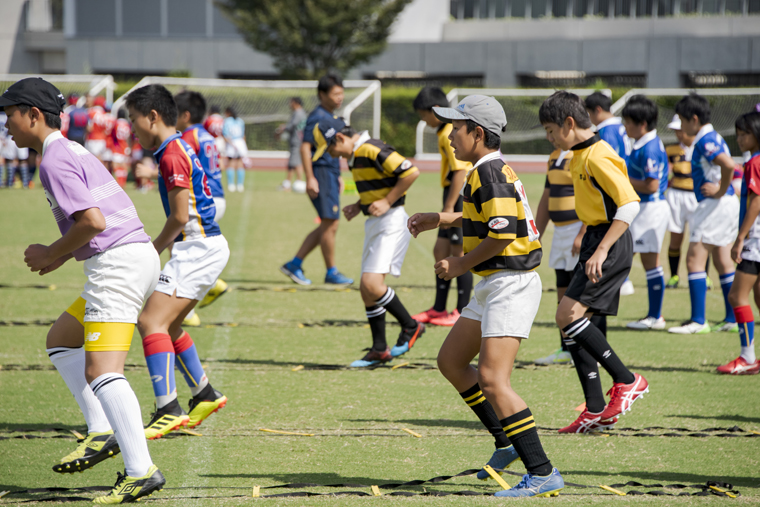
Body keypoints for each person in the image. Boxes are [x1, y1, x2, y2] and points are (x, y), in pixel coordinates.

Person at [4, 77, 165, 503]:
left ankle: (140, 470)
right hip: (134, 257)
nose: (7, 126)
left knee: (102, 371)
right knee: (61, 340)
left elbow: (93, 221)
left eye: (9, 115)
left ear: (33, 115)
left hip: (118, 265)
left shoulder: (53, 160)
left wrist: (51, 252)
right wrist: (59, 256)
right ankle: (102, 430)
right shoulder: (70, 148)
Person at [408, 95, 564, 497]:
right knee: (452, 361)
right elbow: (489, 217)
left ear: (477, 133)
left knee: (494, 379)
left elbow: (503, 234)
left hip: (510, 284)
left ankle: (542, 471)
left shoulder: (489, 172)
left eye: (456, 128)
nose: (450, 135)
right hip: (494, 284)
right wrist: (437, 218)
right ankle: (506, 440)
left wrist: (459, 264)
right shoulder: (486, 170)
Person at [540, 91, 649, 434]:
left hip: (609, 242)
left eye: (550, 130)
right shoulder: (578, 154)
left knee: (566, 316)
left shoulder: (598, 155)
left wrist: (601, 250)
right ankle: (595, 407)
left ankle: (627, 379)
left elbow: (629, 204)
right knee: (569, 319)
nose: (549, 138)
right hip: (594, 240)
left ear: (569, 124)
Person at [126, 84, 229, 440]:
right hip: (199, 247)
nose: (132, 129)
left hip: (198, 248)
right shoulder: (176, 146)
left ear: (152, 117)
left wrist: (151, 249)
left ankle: (168, 409)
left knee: (149, 321)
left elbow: (181, 216)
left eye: (133, 120)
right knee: (167, 326)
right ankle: (204, 394)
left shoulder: (171, 153)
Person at [323, 117, 425, 367]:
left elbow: (410, 171)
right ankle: (379, 348)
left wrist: (388, 201)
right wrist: (359, 205)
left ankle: (411, 326)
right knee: (366, 290)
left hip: (391, 221)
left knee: (372, 284)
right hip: (376, 223)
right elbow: (379, 184)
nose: (332, 154)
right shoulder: (355, 156)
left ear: (340, 139)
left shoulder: (371, 148)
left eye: (331, 149)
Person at [668, 94, 739, 334]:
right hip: (725, 204)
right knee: (722, 259)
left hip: (713, 206)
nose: (681, 126)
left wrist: (719, 190)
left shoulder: (704, 139)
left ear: (694, 119)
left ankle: (698, 321)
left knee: (694, 260)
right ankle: (731, 319)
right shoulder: (713, 135)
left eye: (682, 120)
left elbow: (729, 165)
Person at [280, 74, 353, 286]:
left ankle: (295, 264)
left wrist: (338, 176)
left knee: (328, 223)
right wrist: (310, 178)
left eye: (341, 93)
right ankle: (331, 271)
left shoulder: (329, 115)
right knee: (331, 222)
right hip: (320, 174)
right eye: (335, 93)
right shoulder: (317, 116)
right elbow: (305, 147)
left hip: (329, 174)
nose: (340, 97)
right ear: (322, 94)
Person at [410, 86, 473, 327]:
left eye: (423, 114)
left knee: (459, 254)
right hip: (450, 194)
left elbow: (459, 171)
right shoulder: (443, 131)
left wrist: (447, 209)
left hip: (457, 196)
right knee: (440, 250)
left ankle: (461, 310)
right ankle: (438, 308)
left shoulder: (450, 130)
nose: (422, 120)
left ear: (434, 111)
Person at [174, 90, 229, 328]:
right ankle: (208, 286)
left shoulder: (188, 137)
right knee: (181, 246)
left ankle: (188, 312)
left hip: (204, 200)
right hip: (217, 198)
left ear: (185, 115)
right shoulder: (206, 134)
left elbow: (183, 168)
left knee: (180, 249)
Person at [533, 143, 586, 365]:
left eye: (552, 129)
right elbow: (547, 197)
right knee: (562, 288)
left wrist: (583, 233)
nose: (549, 136)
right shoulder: (554, 156)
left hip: (577, 230)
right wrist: (536, 233)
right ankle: (566, 348)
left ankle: (583, 349)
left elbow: (589, 196)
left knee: (579, 293)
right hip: (560, 232)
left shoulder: (580, 156)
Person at [622, 96, 669, 330]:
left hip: (651, 208)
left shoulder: (649, 147)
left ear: (642, 123)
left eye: (628, 122)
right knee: (646, 259)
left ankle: (655, 317)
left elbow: (652, 185)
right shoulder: (643, 143)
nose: (625, 127)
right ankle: (653, 315)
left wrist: (622, 180)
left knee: (651, 261)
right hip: (645, 208)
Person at [584, 91, 635, 296]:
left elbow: (607, 163)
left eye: (588, 113)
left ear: (597, 110)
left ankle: (621, 279)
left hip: (614, 191)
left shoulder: (607, 132)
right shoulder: (620, 127)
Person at [723, 111, 760, 374]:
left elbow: (756, 201)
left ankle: (747, 358)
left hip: (755, 238)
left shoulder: (754, 163)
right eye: (738, 133)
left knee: (737, 295)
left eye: (744, 133)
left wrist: (740, 238)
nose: (739, 138)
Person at [664, 115, 698, 289]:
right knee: (675, 237)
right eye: (675, 130)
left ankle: (703, 276)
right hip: (676, 196)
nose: (678, 133)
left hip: (696, 197)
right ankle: (674, 276)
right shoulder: (670, 150)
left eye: (680, 129)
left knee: (698, 238)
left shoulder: (701, 147)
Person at [276, 97, 307, 191]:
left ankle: (298, 183)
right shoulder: (300, 112)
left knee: (295, 162)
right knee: (293, 162)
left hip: (297, 141)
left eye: (291, 103)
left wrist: (282, 129)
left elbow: (292, 125)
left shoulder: (298, 113)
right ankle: (288, 183)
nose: (290, 105)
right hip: (297, 140)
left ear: (296, 103)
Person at [222, 106, 246, 192]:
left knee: (231, 163)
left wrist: (229, 144)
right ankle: (240, 185)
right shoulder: (240, 121)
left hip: (231, 142)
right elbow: (243, 134)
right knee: (240, 163)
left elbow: (225, 134)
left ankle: (231, 185)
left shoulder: (227, 121)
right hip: (240, 142)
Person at [110, 109, 132, 188]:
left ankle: (119, 182)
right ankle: (123, 182)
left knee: (116, 165)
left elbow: (112, 134)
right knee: (123, 165)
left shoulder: (116, 123)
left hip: (117, 146)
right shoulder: (127, 124)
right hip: (125, 146)